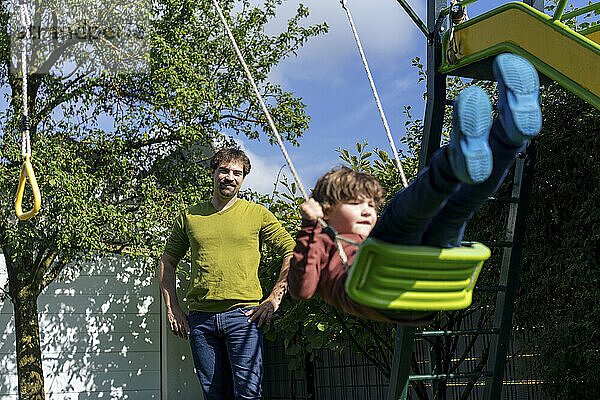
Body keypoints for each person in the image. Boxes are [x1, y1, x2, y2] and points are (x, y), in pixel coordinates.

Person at [288, 53, 542, 323]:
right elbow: (302, 290)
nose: (367, 212)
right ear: (325, 212)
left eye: (371, 206)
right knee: (401, 217)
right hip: (383, 289)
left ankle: (509, 136)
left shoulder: (368, 237)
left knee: (459, 206)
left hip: (422, 288)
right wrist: (310, 228)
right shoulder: (323, 239)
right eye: (354, 204)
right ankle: (456, 160)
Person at [158, 147, 296, 400]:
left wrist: (276, 295)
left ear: (243, 178)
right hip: (200, 320)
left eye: (237, 173)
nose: (230, 177)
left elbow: (291, 250)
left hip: (244, 317)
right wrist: (172, 307)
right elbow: (167, 261)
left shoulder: (257, 214)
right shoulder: (189, 216)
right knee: (214, 395)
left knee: (248, 395)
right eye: (224, 171)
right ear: (212, 173)